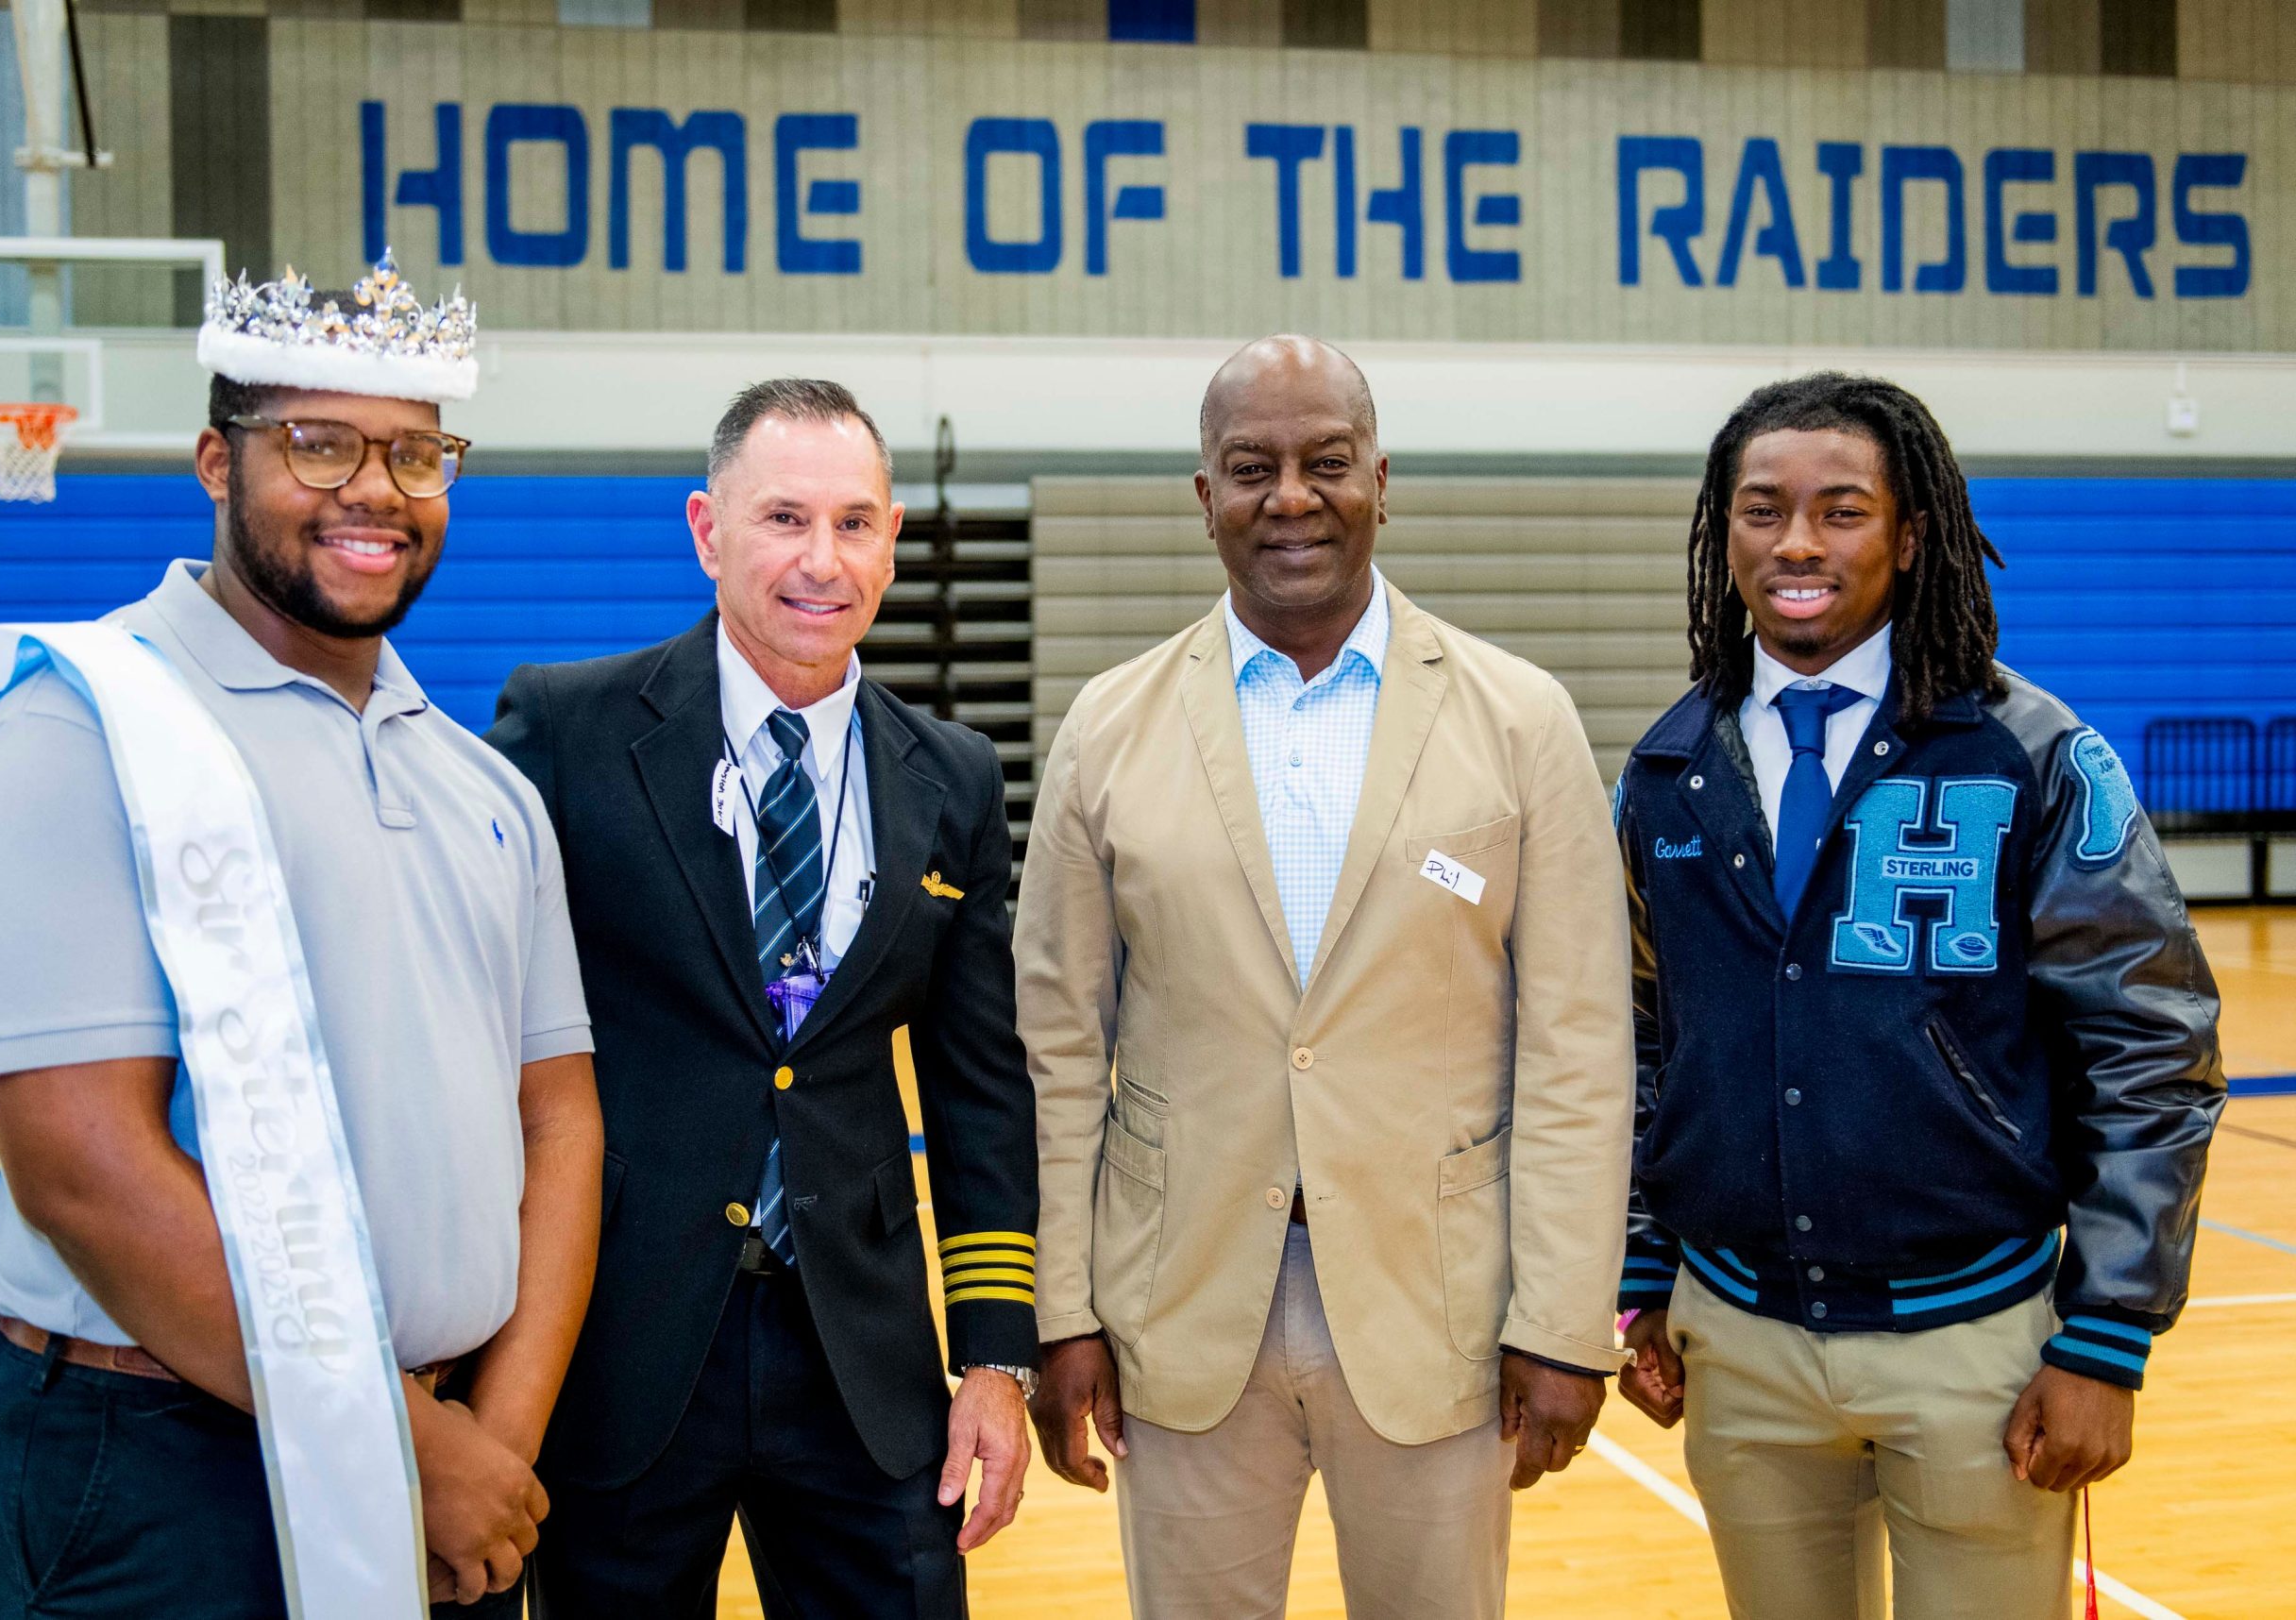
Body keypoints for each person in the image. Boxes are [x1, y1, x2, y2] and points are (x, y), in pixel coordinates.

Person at [0, 256, 601, 1616]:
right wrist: (405, 1451)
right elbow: (84, 1169)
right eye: (319, 441)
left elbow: (560, 1125)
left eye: (418, 453)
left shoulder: (485, 788)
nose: (376, 488)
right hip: (152, 1465)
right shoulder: (80, 727)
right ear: (215, 464)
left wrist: (491, 1452)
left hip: (450, 1450)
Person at [1017, 335, 1634, 1620]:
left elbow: (1579, 1051)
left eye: (1325, 464)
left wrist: (1568, 1322)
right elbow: (1058, 1048)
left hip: (1440, 1316)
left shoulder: (1521, 722)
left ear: (1381, 482)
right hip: (1180, 1313)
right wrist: (1063, 1313)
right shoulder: (1108, 731)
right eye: (1252, 467)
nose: (1289, 498)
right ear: (1204, 496)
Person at [1611, 371, 2224, 1620]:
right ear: (1719, 532)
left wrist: (2106, 1338)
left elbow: (2150, 1050)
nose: (1795, 543)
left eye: (1841, 510)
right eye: (1762, 509)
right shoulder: (1669, 771)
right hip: (1738, 1343)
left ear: (1911, 533)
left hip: (1977, 1353)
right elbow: (1648, 1046)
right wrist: (1646, 1264)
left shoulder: (2031, 752)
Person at [487, 378, 1038, 1618]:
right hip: (620, 1344)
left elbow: (982, 1096)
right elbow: (480, 1053)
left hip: (864, 1365)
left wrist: (996, 1358)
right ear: (706, 529)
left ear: (894, 537)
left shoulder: (950, 778)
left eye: (854, 523)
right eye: (784, 517)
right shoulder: (568, 731)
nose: (821, 560)